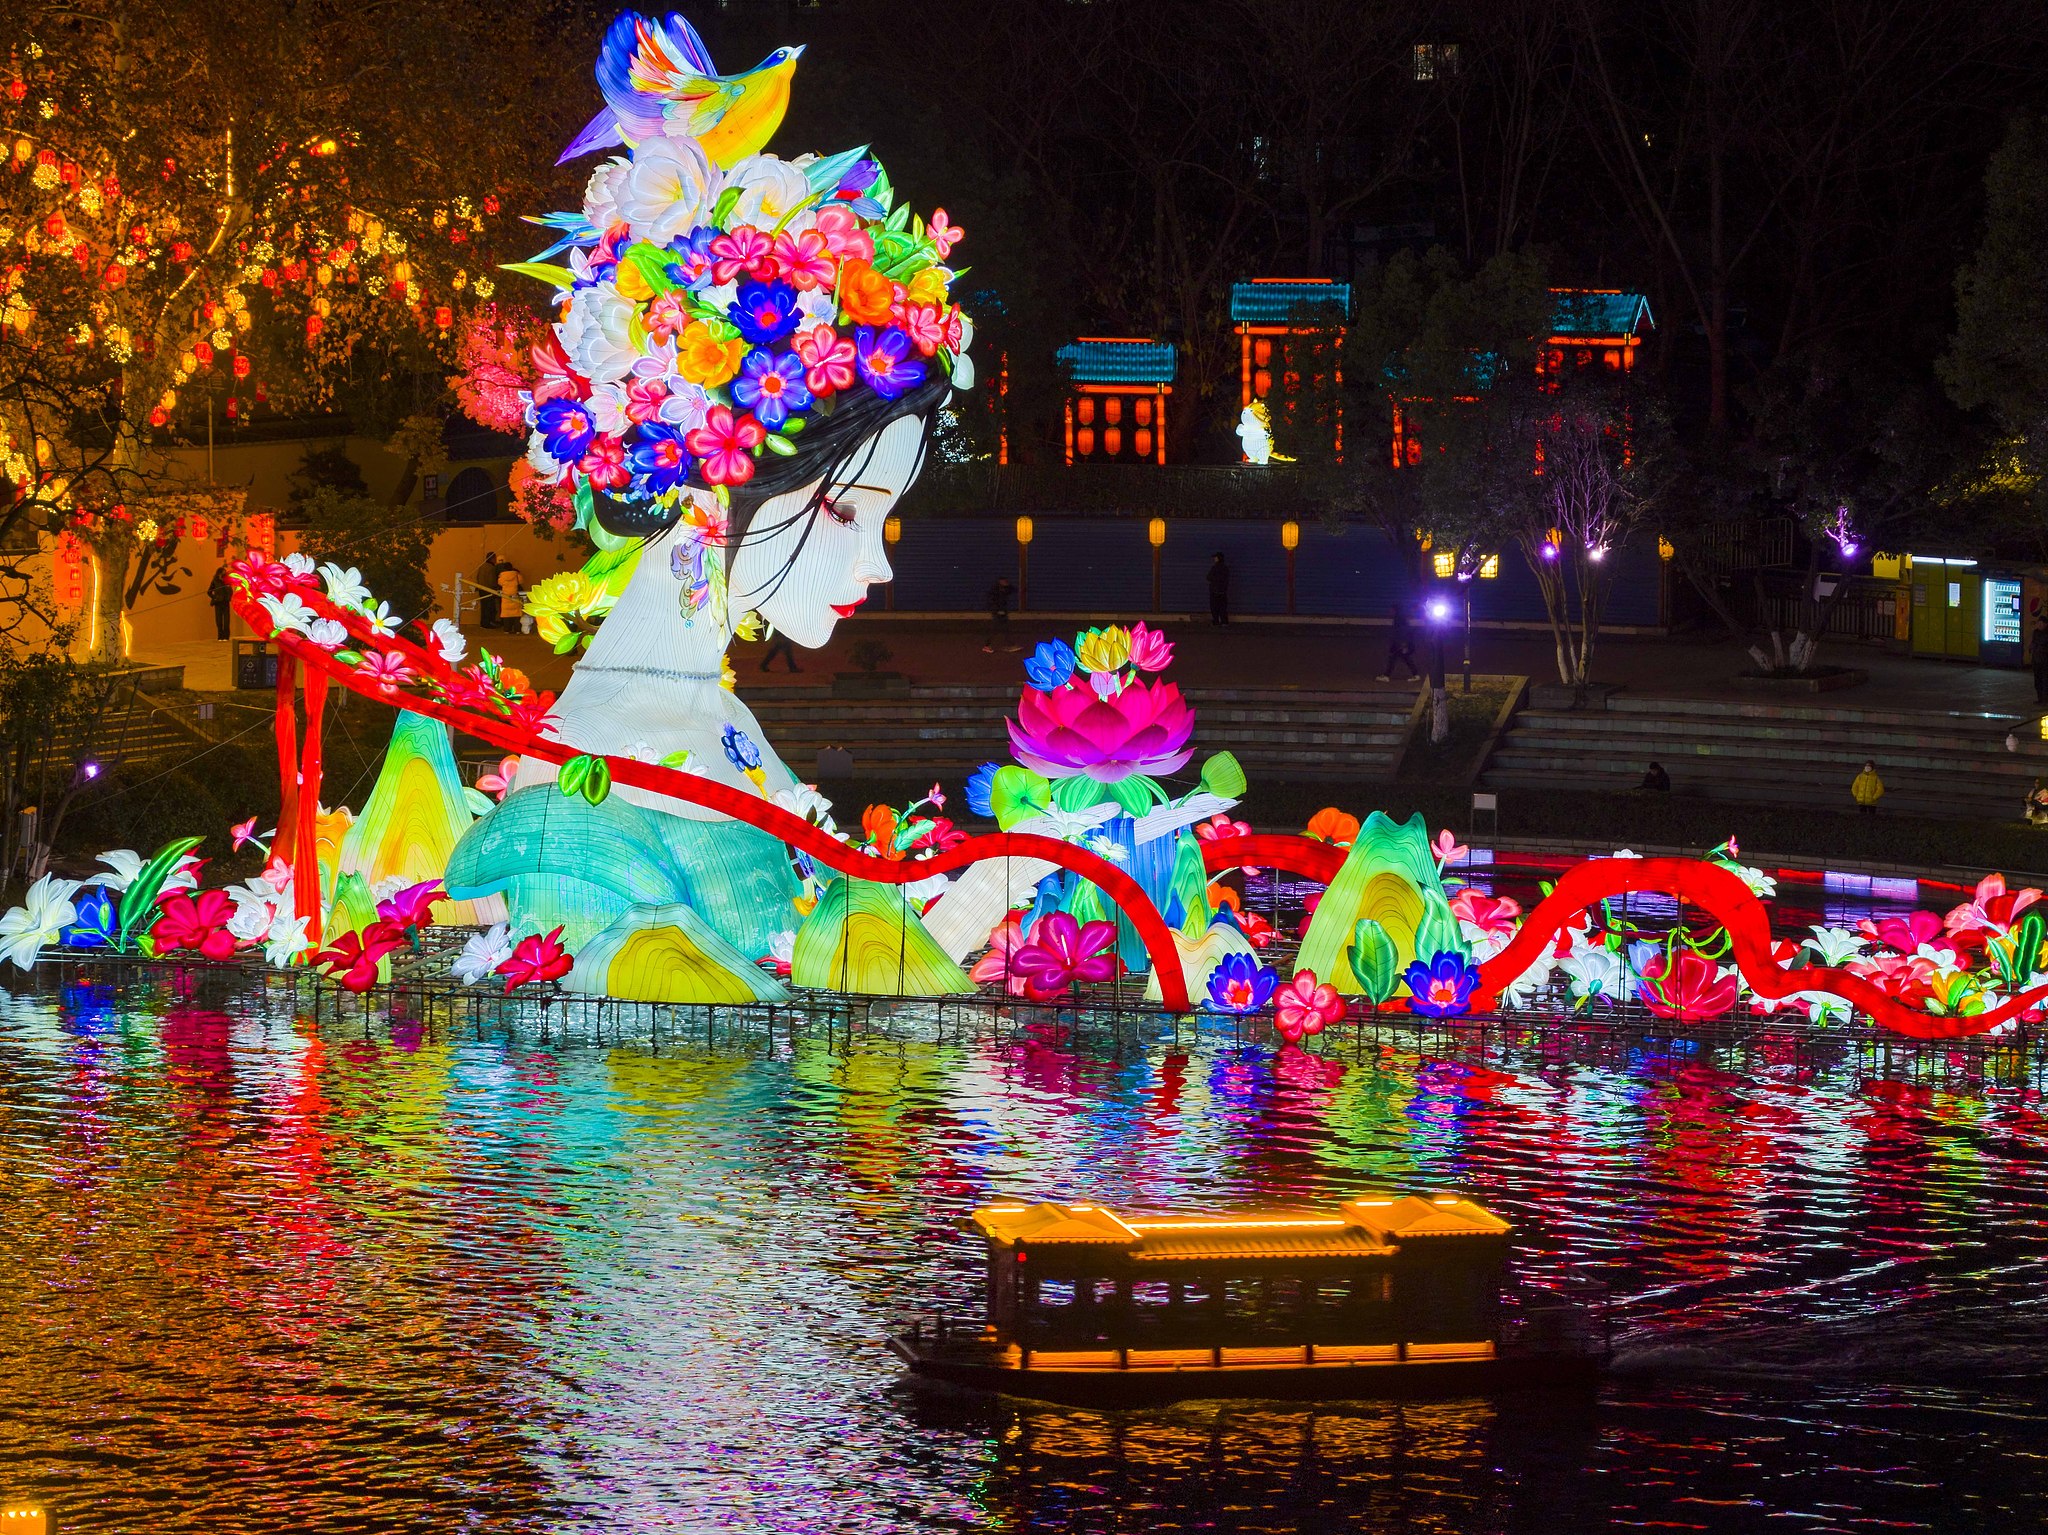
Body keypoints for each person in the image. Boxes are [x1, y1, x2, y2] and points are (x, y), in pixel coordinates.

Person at [1378, 604, 1418, 681]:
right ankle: (1415, 674)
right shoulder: (1401, 617)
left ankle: (1387, 676)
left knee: (1394, 658)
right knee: (1404, 658)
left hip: (1399, 642)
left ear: (1394, 610)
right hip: (1402, 642)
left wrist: (1402, 643)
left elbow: (1400, 631)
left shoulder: (1398, 618)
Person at [983, 576, 1018, 653]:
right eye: (1003, 581)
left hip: (1002, 612)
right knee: (996, 629)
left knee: (1005, 628)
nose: (1005, 582)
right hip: (998, 612)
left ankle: (1009, 644)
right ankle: (987, 645)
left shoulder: (1005, 589)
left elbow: (1014, 590)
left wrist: (1008, 585)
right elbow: (992, 601)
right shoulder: (995, 590)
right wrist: (997, 610)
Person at [474, 551, 502, 630]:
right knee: (489, 608)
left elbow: (478, 577)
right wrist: (496, 588)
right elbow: (492, 580)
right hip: (489, 590)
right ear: (493, 559)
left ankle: (483, 623)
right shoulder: (491, 568)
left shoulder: (482, 566)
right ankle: (488, 623)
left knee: (484, 607)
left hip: (481, 589)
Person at [495, 559, 524, 633]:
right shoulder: (517, 575)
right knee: (517, 614)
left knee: (506, 615)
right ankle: (517, 630)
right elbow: (521, 581)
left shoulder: (502, 576)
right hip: (515, 597)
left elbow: (499, 583)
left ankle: (507, 630)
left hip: (506, 598)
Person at [207, 564, 233, 641]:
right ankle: (220, 636)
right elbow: (209, 591)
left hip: (225, 602)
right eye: (223, 573)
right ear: (219, 573)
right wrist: (215, 598)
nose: (224, 574)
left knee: (226, 620)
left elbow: (230, 591)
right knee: (219, 620)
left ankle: (226, 636)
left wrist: (229, 596)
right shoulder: (215, 581)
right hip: (218, 602)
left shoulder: (227, 581)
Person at [1208, 552, 1231, 626]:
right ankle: (1224, 622)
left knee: (1214, 607)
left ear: (1218, 558)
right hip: (1223, 591)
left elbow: (1208, 577)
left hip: (1214, 591)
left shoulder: (1214, 568)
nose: (1214, 559)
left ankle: (1216, 621)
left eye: (1215, 557)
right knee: (1223, 607)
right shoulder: (1225, 568)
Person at [2031, 613, 2048, 705]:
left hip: (2045, 661)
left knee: (2045, 681)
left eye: (2042, 623)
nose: (2040, 625)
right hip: (2037, 660)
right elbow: (2033, 643)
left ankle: (2044, 699)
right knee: (2037, 681)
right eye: (2039, 623)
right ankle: (2040, 698)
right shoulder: (2036, 632)